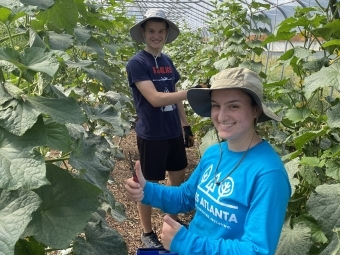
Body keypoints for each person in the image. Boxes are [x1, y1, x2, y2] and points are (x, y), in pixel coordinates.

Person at [125, 67, 291, 255]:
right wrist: (146, 189)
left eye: (233, 106)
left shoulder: (269, 174)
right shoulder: (215, 152)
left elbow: (256, 250)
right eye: (216, 105)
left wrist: (187, 244)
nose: (221, 116)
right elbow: (185, 197)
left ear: (255, 110)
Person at [126, 8, 194, 248]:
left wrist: (185, 124)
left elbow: (174, 96)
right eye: (151, 31)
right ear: (143, 33)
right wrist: (192, 93)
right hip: (152, 134)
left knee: (178, 177)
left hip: (172, 131)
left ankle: (170, 223)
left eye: (161, 31)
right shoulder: (137, 63)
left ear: (166, 34)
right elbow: (154, 99)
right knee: (148, 184)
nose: (156, 36)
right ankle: (147, 233)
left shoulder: (167, 61)